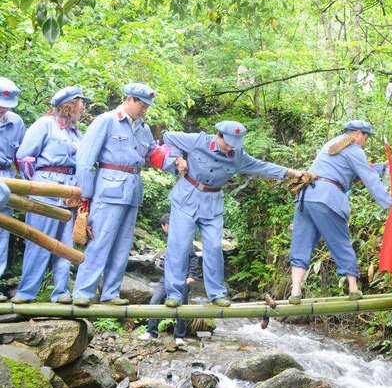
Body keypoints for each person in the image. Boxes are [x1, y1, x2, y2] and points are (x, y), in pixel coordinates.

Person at [161, 121, 305, 308]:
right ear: (218, 135)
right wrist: (177, 158)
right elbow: (167, 136)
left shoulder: (238, 157)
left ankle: (216, 294)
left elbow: (262, 167)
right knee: (179, 246)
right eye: (228, 143)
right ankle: (174, 294)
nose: (231, 147)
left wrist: (290, 172)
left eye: (235, 143)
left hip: (212, 204)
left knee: (213, 247)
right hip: (186, 198)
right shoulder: (198, 141)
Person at [71, 83, 179, 307]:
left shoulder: (144, 129)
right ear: (128, 99)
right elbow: (84, 161)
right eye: (140, 103)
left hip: (133, 191)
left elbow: (153, 155)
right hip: (107, 189)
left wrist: (177, 163)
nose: (144, 109)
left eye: (147, 105)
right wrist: (85, 196)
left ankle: (110, 293)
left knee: (122, 246)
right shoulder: (106, 121)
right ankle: (83, 292)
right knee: (99, 241)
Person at [288, 120, 392, 304]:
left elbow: (357, 171)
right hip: (327, 199)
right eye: (366, 138)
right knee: (340, 241)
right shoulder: (354, 149)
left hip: (306, 196)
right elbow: (369, 178)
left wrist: (382, 166)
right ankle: (353, 288)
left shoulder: (332, 144)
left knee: (301, 243)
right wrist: (390, 206)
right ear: (359, 134)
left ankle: (295, 291)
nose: (365, 142)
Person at [11, 87, 87, 304]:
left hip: (69, 192)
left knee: (65, 245)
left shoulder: (75, 132)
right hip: (45, 190)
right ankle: (26, 293)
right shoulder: (45, 124)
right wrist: (31, 186)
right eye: (81, 104)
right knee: (38, 242)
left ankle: (61, 292)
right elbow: (24, 156)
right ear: (69, 105)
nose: (83, 109)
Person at [138, 214, 200, 345]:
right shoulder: (170, 240)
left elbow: (193, 258)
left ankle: (179, 336)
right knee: (154, 301)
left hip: (182, 279)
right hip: (166, 277)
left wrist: (191, 276)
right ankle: (151, 332)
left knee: (181, 306)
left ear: (165, 226)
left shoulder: (184, 238)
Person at [0, 78, 25, 302]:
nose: (3, 108)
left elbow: (21, 156)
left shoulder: (16, 122)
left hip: (6, 178)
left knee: (2, 231)